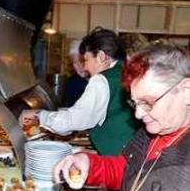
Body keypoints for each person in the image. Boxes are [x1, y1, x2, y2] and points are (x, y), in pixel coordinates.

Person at [53, 44, 190, 191]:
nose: (138, 114)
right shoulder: (152, 132)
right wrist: (89, 164)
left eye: (148, 102)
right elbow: (128, 171)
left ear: (186, 90)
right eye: (135, 103)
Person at [19, 27, 139, 155]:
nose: (85, 67)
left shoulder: (101, 80)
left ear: (101, 57)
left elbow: (74, 121)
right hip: (133, 150)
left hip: (115, 155)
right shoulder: (126, 71)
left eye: (87, 60)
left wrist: (38, 115)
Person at [63, 39, 89, 107]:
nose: (79, 66)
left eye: (82, 61)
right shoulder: (71, 83)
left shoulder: (99, 79)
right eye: (75, 62)